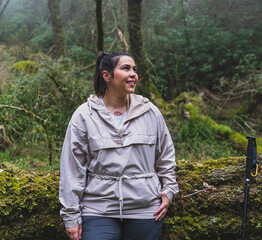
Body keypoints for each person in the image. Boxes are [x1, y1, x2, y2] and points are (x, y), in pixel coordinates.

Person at [59, 51, 179, 240]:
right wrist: (71, 217)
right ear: (106, 75)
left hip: (145, 208)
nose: (133, 74)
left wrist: (169, 190)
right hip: (98, 209)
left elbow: (166, 156)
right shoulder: (84, 115)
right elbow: (72, 168)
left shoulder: (150, 112)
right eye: (126, 68)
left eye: (134, 69)